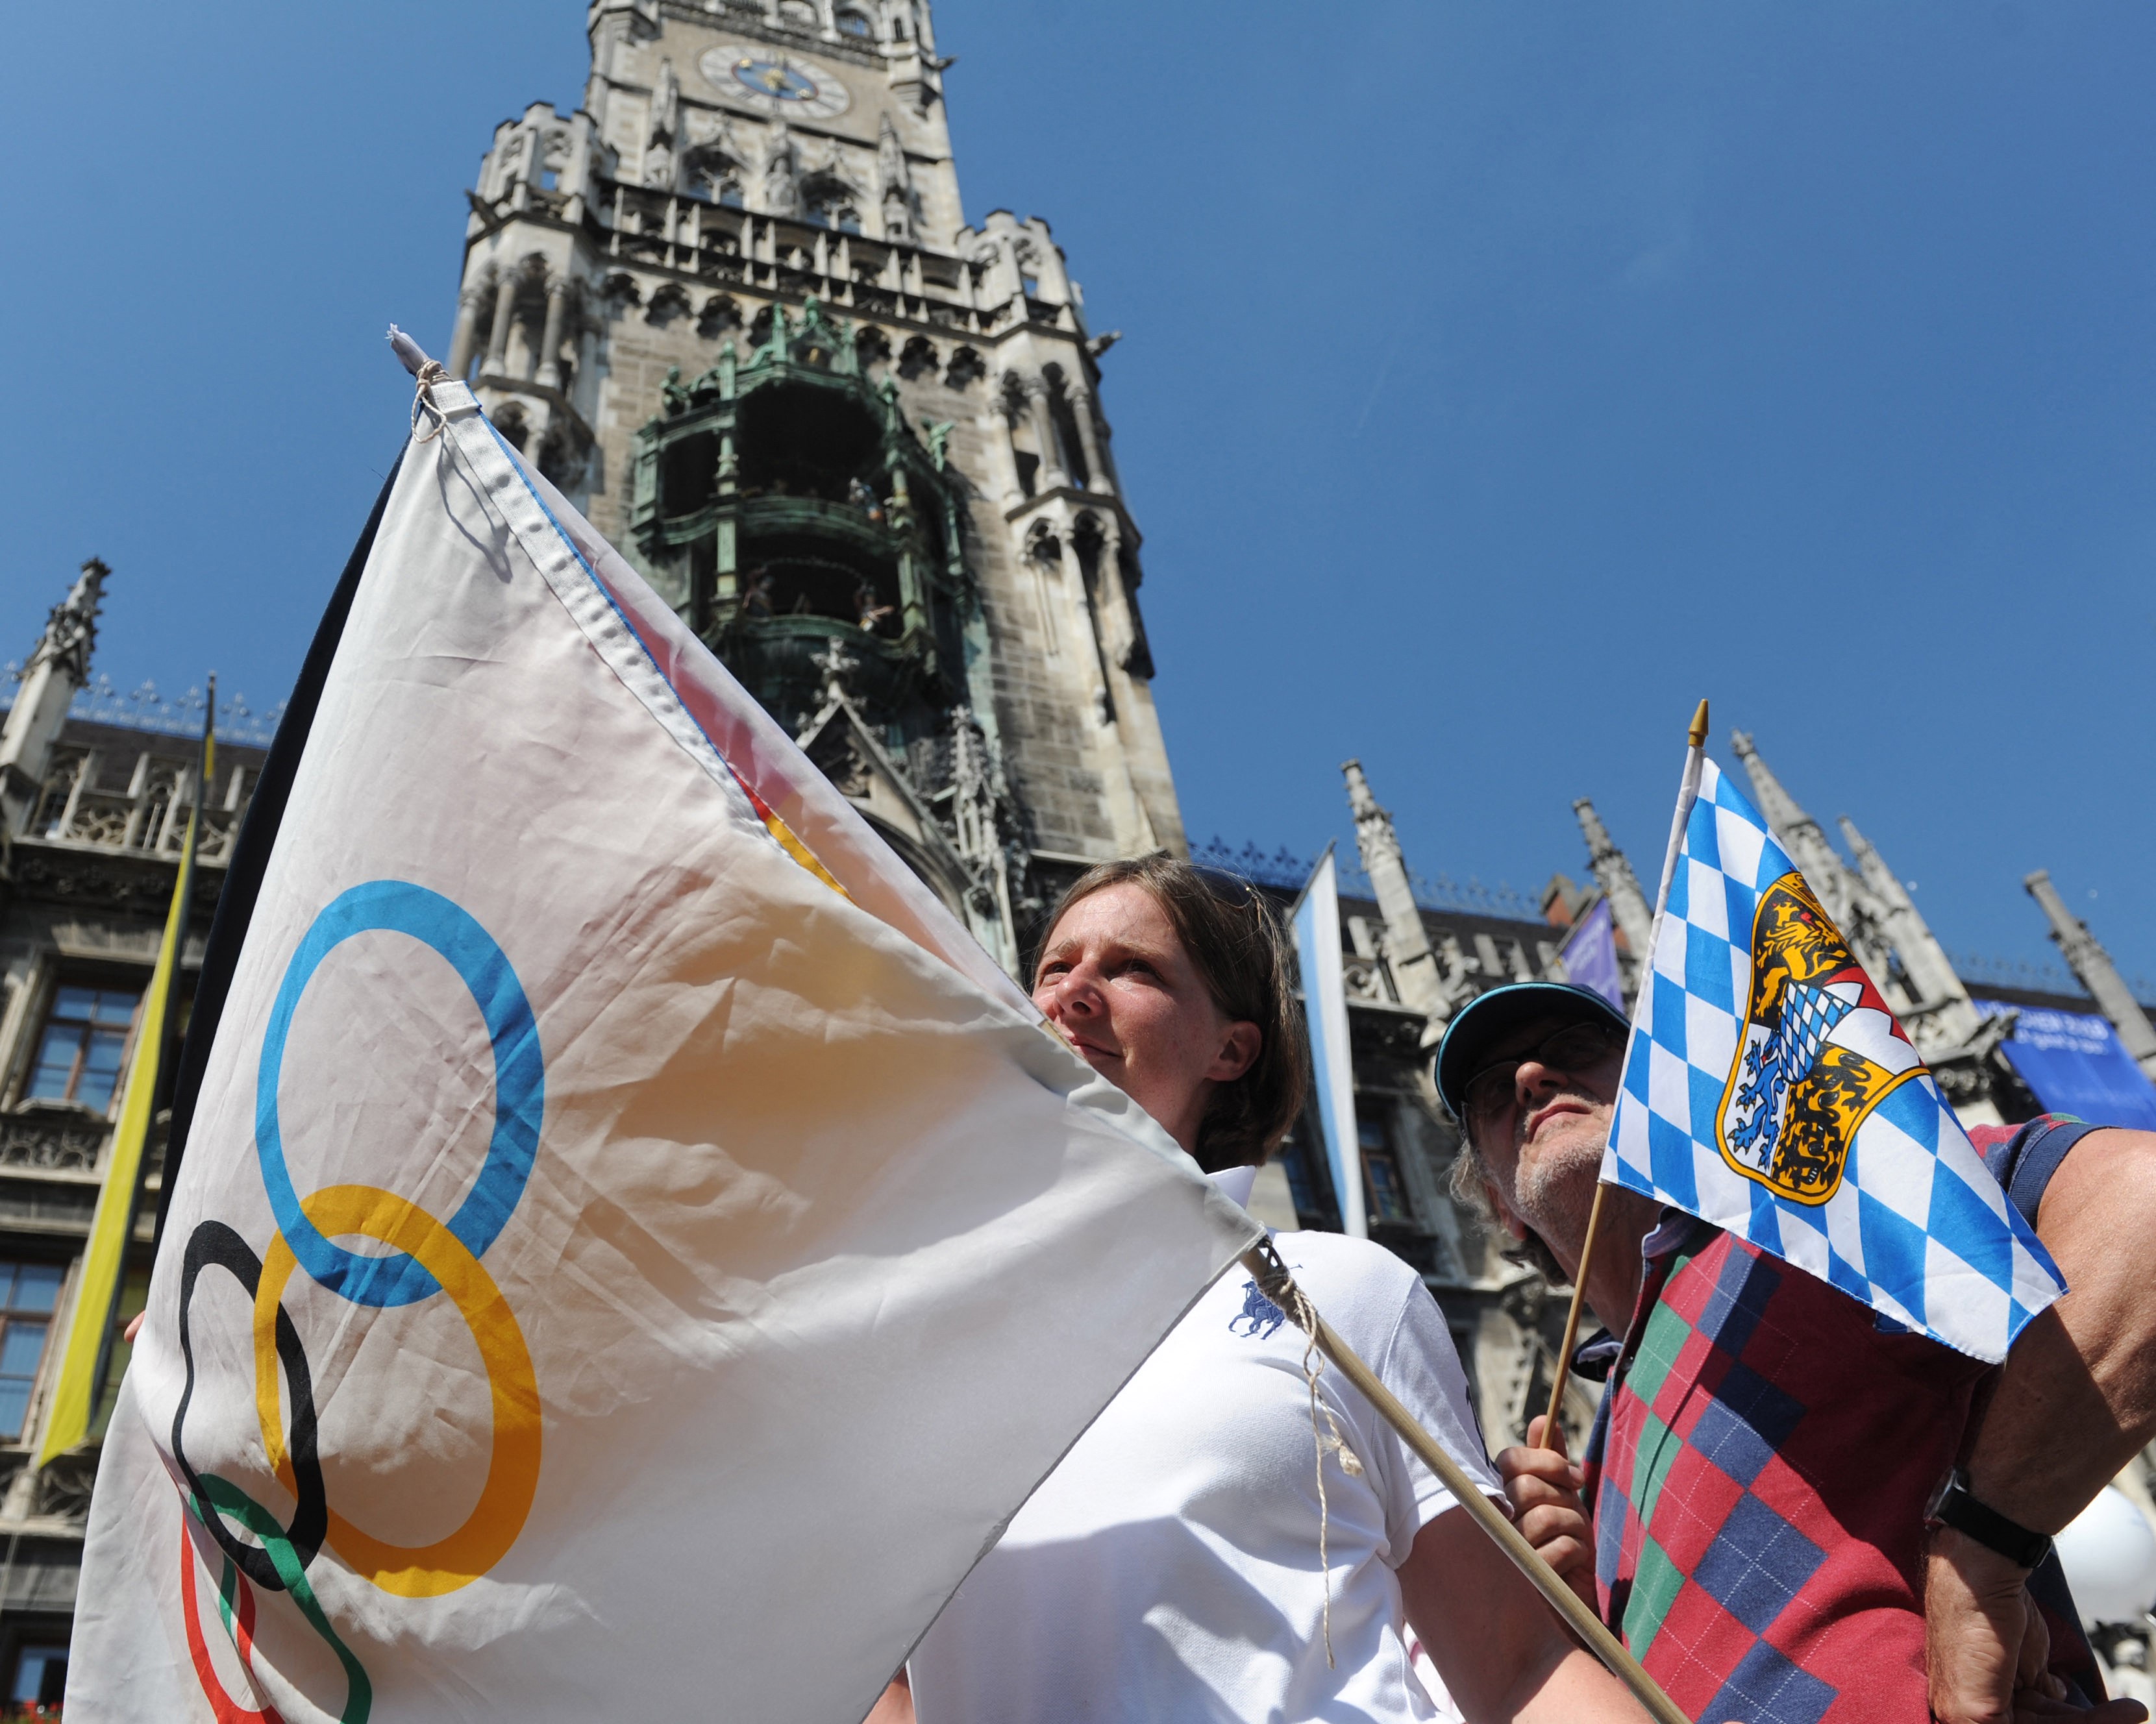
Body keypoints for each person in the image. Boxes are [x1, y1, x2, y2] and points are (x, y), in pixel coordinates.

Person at [891, 856, 1652, 1724]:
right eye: (1053, 968)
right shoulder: (919, 1332)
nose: (1073, 994)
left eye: (1132, 968)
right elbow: (868, 1677)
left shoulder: (1332, 1289)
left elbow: (1518, 1668)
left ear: (1230, 1047)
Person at [1436, 978, 2154, 1724]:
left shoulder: (1818, 1215)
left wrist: (1982, 1549)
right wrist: (1583, 1625)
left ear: (1671, 1093)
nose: (1530, 1077)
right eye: (1491, 1092)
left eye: (1575, 1050)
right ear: (1500, 1209)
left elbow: (2143, 1207)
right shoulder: (1598, 1444)